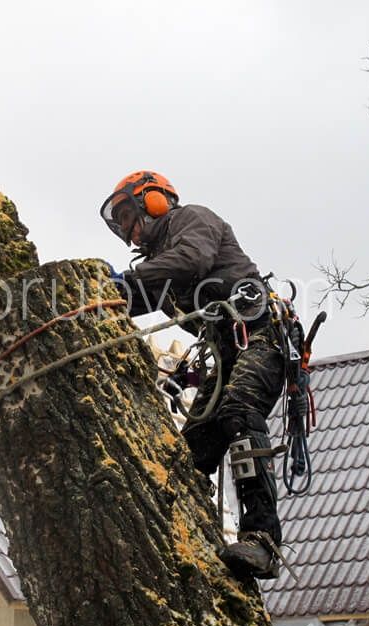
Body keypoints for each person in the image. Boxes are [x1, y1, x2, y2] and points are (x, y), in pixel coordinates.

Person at [100, 170, 286, 579]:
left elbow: (192, 260)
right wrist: (98, 294)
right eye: (122, 226)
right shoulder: (157, 267)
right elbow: (135, 297)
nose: (131, 233)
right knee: (188, 457)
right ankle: (177, 538)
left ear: (154, 200)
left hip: (260, 336)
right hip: (225, 356)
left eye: (130, 216)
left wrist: (125, 280)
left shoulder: (192, 222)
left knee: (239, 411)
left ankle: (263, 541)